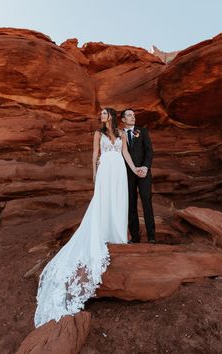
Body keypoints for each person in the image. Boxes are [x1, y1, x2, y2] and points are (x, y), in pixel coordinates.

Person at [34, 108, 143, 328]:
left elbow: (126, 154)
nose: (101, 117)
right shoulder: (97, 134)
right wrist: (94, 177)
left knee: (119, 202)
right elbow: (95, 155)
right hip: (105, 172)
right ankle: (103, 232)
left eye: (104, 114)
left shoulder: (121, 134)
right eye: (101, 115)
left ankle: (118, 235)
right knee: (102, 203)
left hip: (119, 171)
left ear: (111, 116)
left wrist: (135, 169)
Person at [121, 108, 156, 244]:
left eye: (134, 115)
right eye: (129, 115)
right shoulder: (119, 134)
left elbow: (149, 151)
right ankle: (135, 237)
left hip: (143, 173)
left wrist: (146, 167)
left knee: (147, 202)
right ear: (123, 119)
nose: (133, 117)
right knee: (131, 205)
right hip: (127, 174)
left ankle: (151, 236)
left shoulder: (142, 132)